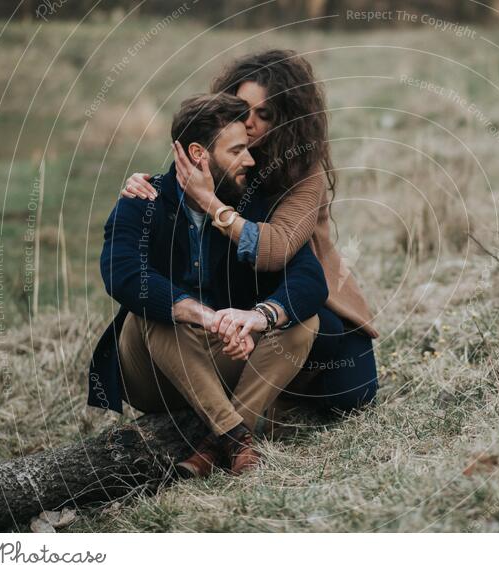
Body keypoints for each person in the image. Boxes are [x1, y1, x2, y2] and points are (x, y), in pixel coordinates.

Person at [121, 49, 379, 420]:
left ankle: (275, 395)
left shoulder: (304, 174)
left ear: (287, 118)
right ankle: (237, 415)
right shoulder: (219, 152)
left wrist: (212, 204)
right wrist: (143, 185)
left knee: (352, 392)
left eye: (265, 114)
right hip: (243, 290)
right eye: (244, 109)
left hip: (307, 284)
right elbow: (181, 180)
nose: (252, 122)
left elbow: (275, 250)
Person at [88, 92, 328, 478]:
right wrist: (204, 315)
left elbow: (309, 278)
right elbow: (121, 272)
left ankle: (219, 441)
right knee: (154, 309)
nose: (250, 160)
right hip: (153, 372)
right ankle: (235, 438)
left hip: (225, 357)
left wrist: (258, 316)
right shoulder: (143, 200)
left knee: (303, 323)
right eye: (237, 150)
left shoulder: (246, 206)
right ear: (199, 154)